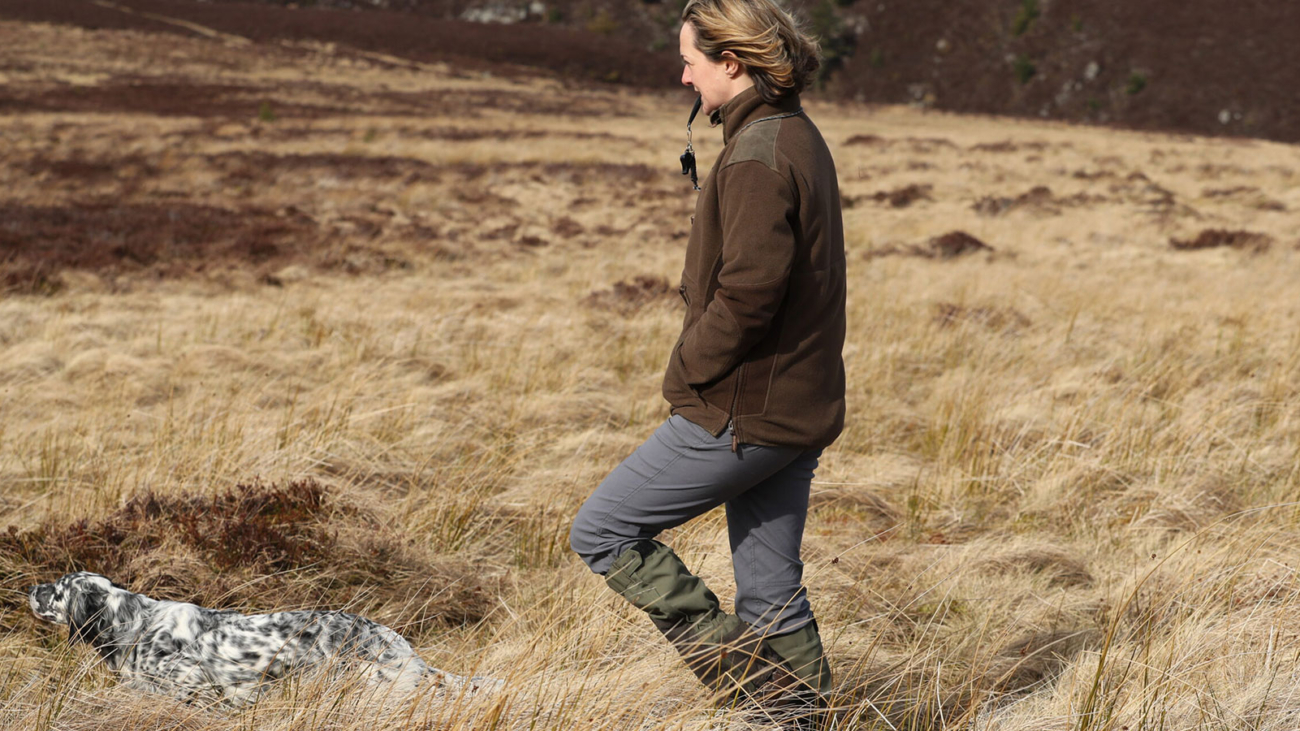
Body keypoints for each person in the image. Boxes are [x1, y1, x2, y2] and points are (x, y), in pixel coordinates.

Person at [569, 0, 846, 718]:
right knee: (772, 590)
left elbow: (750, 292)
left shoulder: (757, 155)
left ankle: (756, 685)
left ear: (732, 61)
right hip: (795, 409)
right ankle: (796, 719)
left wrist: (687, 367)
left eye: (691, 59)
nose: (682, 73)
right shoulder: (794, 133)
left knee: (602, 529)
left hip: (742, 412)